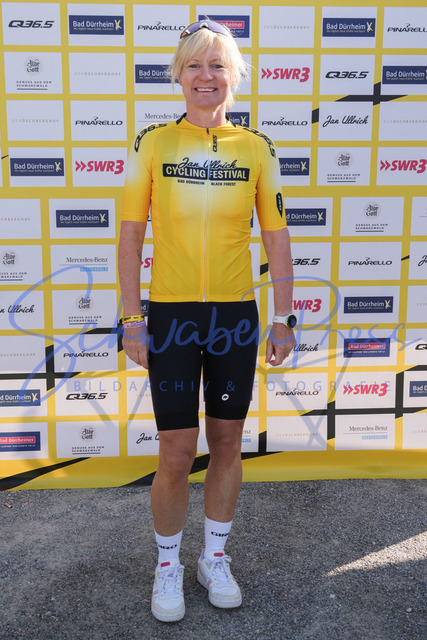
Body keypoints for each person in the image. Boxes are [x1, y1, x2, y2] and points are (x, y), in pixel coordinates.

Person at [118, 19, 295, 622]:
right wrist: (132, 318)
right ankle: (167, 564)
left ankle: (213, 557)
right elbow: (130, 235)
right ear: (178, 74)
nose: (205, 75)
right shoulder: (153, 143)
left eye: (217, 65)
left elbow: (276, 238)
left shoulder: (256, 147)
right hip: (170, 316)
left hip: (233, 318)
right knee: (175, 450)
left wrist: (284, 317)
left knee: (226, 442)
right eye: (194, 64)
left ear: (234, 76)